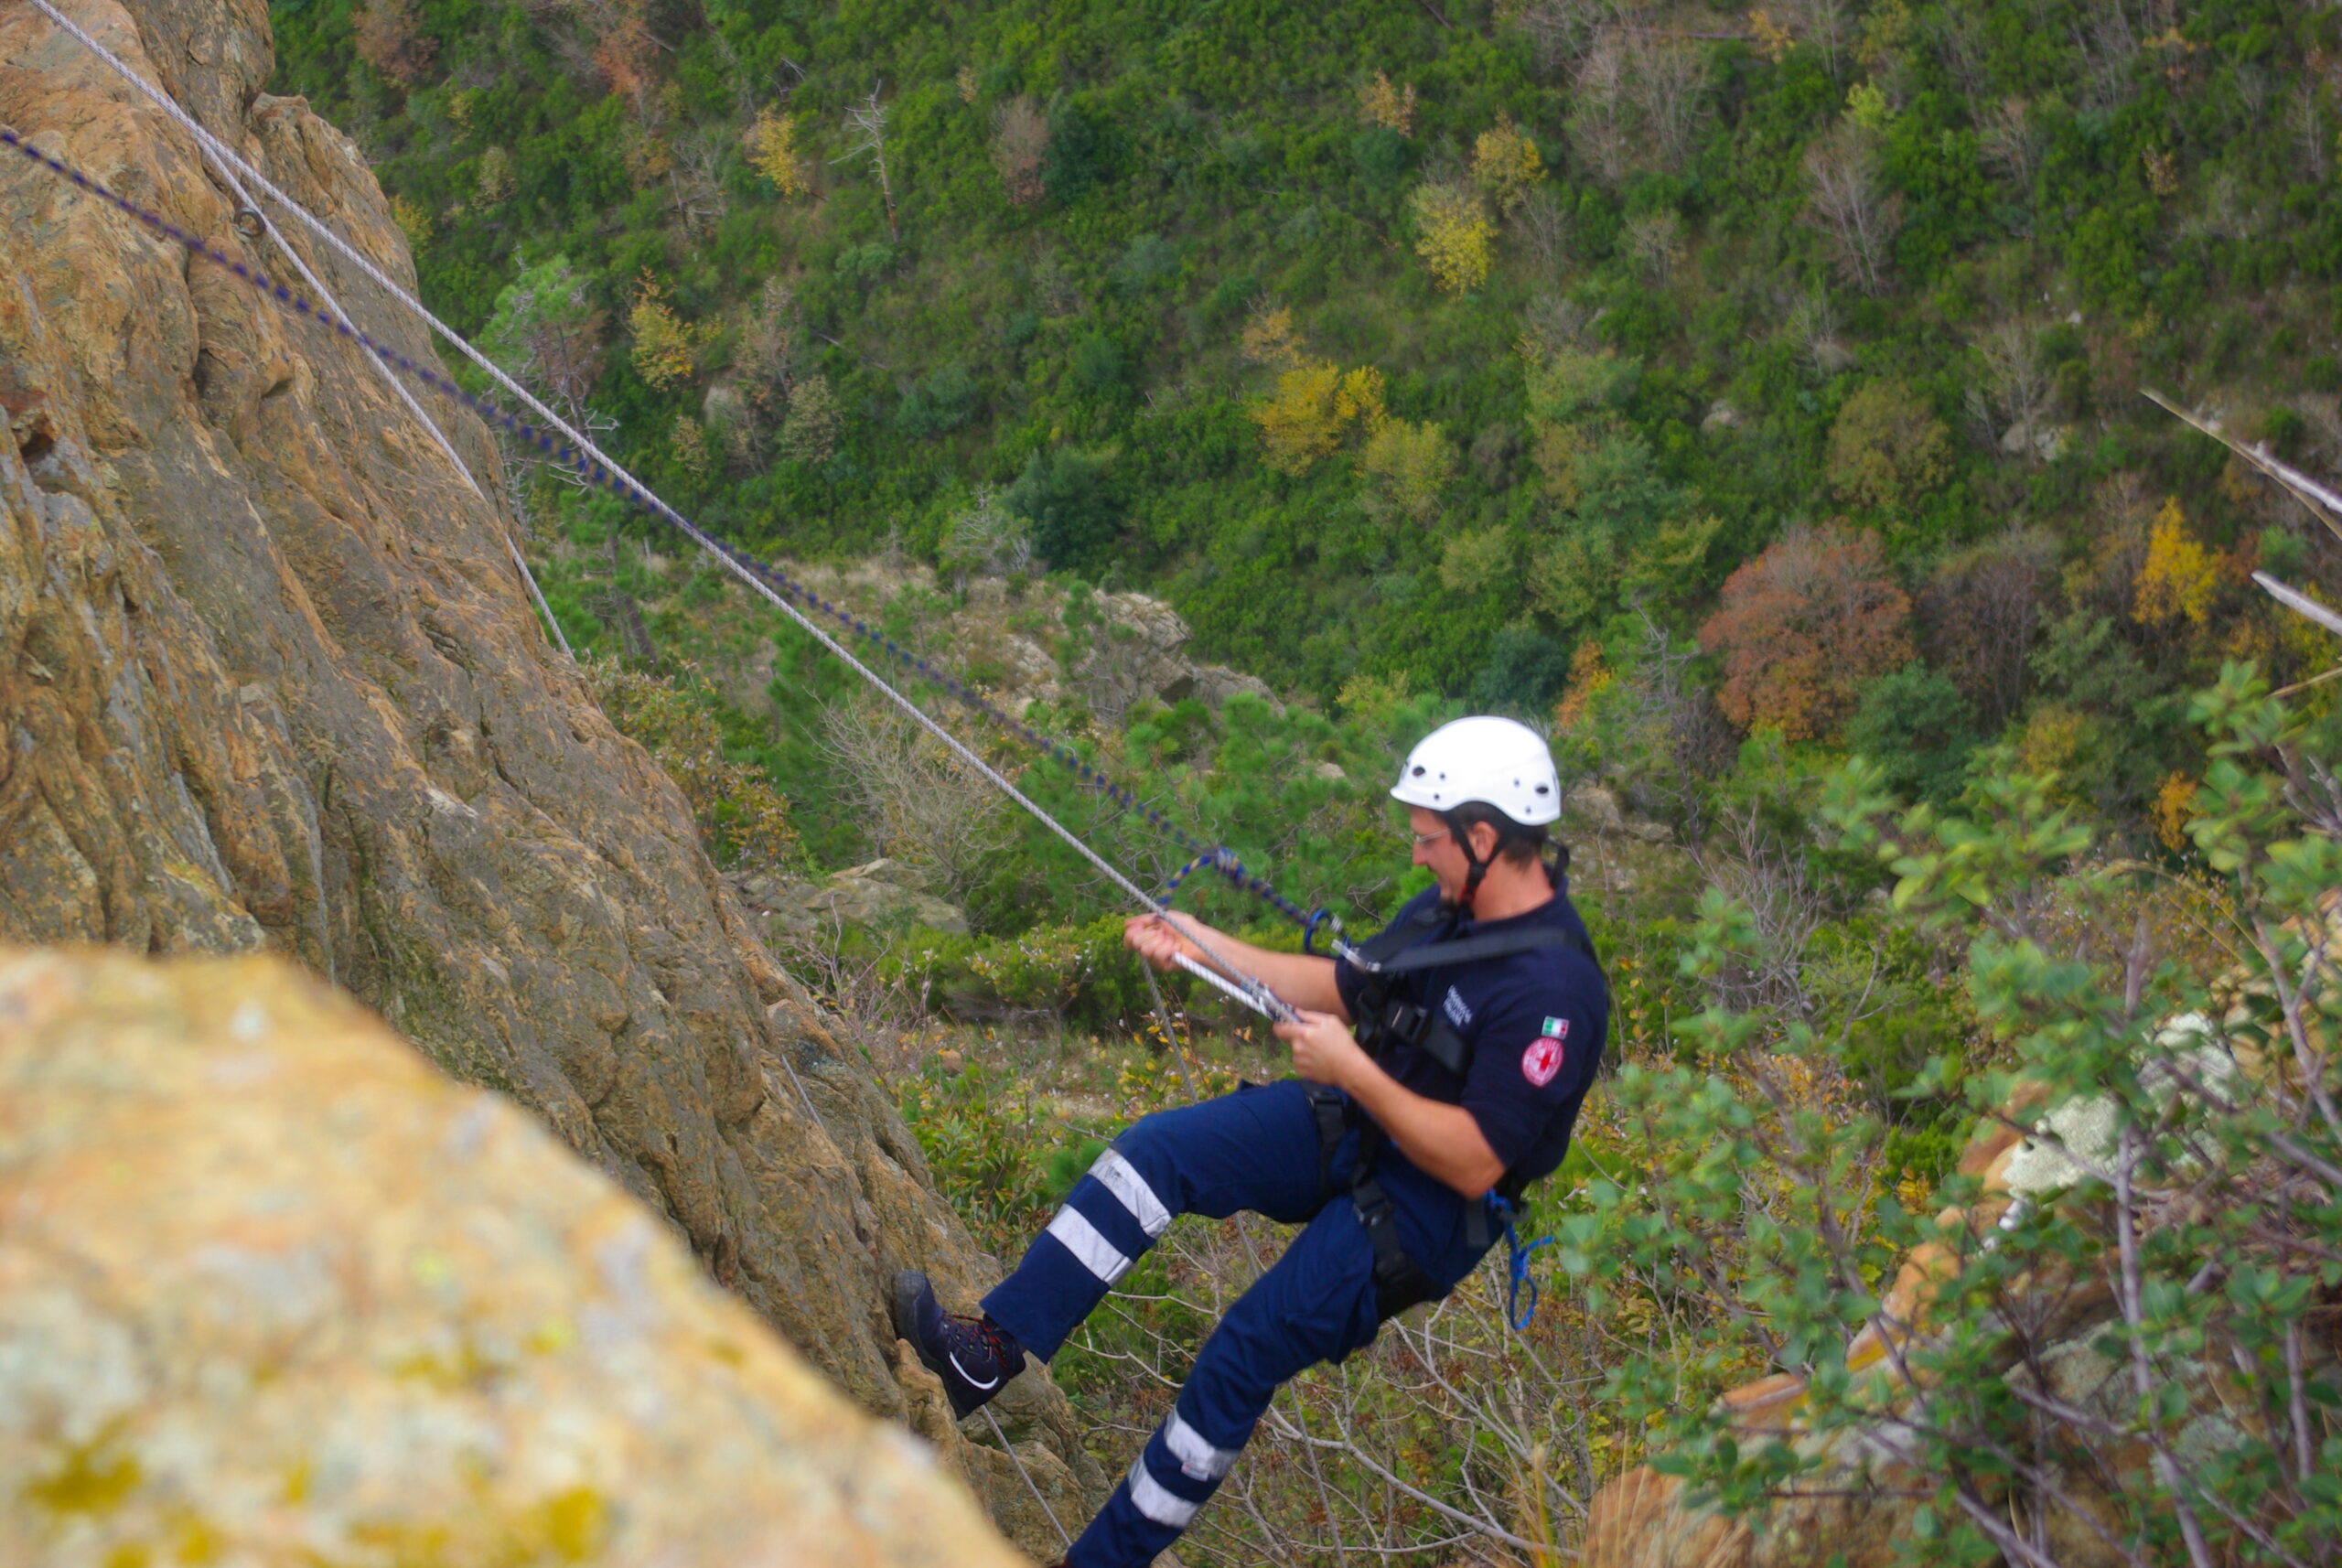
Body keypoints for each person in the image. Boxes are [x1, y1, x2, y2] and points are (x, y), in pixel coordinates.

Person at [892, 716, 1608, 1568]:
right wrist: (1206, 944)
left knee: (1244, 1350)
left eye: (1428, 839)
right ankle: (987, 1355)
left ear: (1483, 837)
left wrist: (1353, 1072)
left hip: (1427, 1206)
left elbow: (1475, 1158)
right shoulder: (1450, 911)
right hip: (1363, 1118)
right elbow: (1344, 986)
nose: (1417, 855)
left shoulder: (1556, 994)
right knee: (1155, 1154)